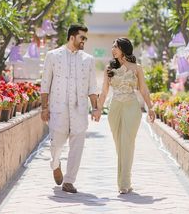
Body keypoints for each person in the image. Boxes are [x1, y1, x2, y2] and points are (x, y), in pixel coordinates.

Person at [40, 24, 99, 193]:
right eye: (82, 37)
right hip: (58, 109)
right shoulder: (53, 56)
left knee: (77, 147)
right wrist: (44, 108)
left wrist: (95, 108)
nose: (84, 41)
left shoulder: (88, 60)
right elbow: (45, 84)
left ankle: (69, 181)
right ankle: (55, 164)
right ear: (72, 37)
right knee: (56, 145)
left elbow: (92, 87)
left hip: (80, 111)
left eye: (85, 38)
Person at [96, 38, 156, 194]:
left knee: (127, 143)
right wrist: (97, 109)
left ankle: (124, 183)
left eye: (115, 46)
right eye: (112, 46)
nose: (112, 49)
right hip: (115, 108)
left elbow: (143, 90)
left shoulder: (137, 68)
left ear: (123, 49)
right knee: (119, 145)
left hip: (132, 108)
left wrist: (150, 107)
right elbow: (103, 92)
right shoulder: (109, 68)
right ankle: (124, 180)